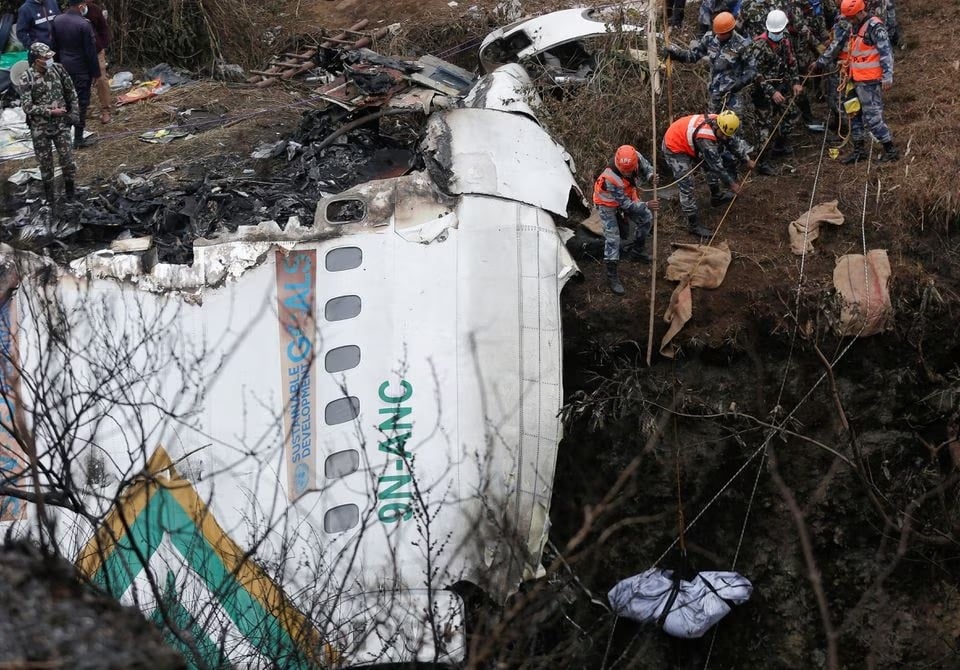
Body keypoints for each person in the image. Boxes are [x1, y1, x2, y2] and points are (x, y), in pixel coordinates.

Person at [812, 0, 897, 163]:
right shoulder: (853, 26)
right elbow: (839, 45)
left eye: (851, 17)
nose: (849, 21)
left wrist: (887, 76)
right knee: (853, 113)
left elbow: (886, 52)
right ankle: (859, 150)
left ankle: (890, 148)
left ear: (859, 12)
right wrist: (822, 62)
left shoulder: (875, 27)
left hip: (869, 81)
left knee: (872, 117)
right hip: (853, 77)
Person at [662, 111, 756, 238]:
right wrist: (731, 184)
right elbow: (717, 166)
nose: (723, 137)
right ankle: (693, 225)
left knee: (710, 163)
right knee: (687, 184)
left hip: (688, 138)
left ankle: (716, 196)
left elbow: (732, 142)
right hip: (674, 145)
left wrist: (746, 159)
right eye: (722, 134)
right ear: (717, 126)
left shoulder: (724, 123)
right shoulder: (705, 137)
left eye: (725, 135)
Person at [592, 145, 660, 295]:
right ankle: (612, 276)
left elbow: (647, 167)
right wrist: (646, 204)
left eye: (629, 170)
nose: (627, 173)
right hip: (607, 203)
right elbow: (627, 205)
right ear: (617, 164)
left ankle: (638, 251)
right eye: (624, 171)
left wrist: (650, 176)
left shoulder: (635, 156)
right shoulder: (610, 178)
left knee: (646, 218)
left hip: (628, 194)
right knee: (613, 238)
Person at [18, 42, 79, 205]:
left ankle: (70, 193)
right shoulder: (27, 77)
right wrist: (50, 112)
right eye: (45, 58)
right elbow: (27, 106)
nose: (49, 60)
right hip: (40, 128)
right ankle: (50, 198)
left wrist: (74, 113)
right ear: (36, 60)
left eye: (50, 56)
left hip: (61, 125)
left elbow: (71, 92)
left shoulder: (59, 69)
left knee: (67, 160)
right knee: (45, 164)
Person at [666, 12, 757, 116]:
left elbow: (752, 69)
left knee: (733, 126)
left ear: (730, 31)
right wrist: (677, 55)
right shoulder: (709, 38)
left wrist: (741, 82)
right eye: (717, 32)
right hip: (715, 92)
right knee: (712, 124)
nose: (718, 35)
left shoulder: (742, 45)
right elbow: (694, 55)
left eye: (721, 34)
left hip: (733, 95)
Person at [750, 9, 804, 174]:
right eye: (775, 32)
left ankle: (779, 146)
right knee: (765, 127)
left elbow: (791, 61)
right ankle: (762, 163)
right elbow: (755, 74)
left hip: (781, 86)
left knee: (792, 114)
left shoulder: (785, 40)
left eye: (779, 31)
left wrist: (795, 81)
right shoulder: (758, 46)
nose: (777, 34)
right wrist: (771, 92)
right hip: (762, 92)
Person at [50, 0, 100, 149]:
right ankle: (78, 138)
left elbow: (54, 47)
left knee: (65, 101)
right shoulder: (84, 24)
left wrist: (57, 66)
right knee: (81, 103)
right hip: (81, 69)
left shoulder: (57, 20)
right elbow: (90, 52)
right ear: (80, 6)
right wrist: (96, 73)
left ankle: (64, 136)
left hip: (63, 67)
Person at [83, 1, 112, 124]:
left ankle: (105, 110)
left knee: (101, 79)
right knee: (83, 79)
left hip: (96, 50)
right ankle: (85, 108)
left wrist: (102, 46)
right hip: (81, 52)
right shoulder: (71, 12)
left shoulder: (94, 10)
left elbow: (103, 28)